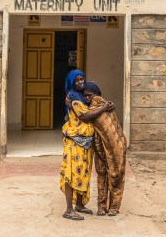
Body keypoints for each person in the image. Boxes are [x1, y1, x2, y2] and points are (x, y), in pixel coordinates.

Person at [60, 70, 114, 221]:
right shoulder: (74, 99)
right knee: (71, 173)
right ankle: (69, 210)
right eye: (76, 80)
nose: (80, 82)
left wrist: (105, 105)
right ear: (71, 82)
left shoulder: (83, 98)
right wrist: (103, 108)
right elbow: (84, 116)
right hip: (74, 141)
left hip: (85, 142)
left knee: (83, 172)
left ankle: (79, 205)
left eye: (81, 79)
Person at [82, 81, 127, 216]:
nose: (87, 98)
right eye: (84, 96)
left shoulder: (98, 101)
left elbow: (86, 117)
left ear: (96, 94)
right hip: (100, 144)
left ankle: (114, 206)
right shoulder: (96, 105)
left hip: (114, 145)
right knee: (102, 174)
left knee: (115, 174)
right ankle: (102, 206)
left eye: (89, 95)